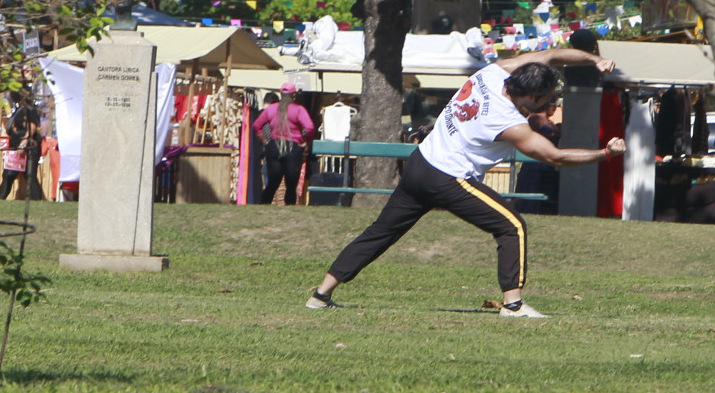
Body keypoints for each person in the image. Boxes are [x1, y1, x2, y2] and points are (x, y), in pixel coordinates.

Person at [307, 46, 622, 318]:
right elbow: (555, 156)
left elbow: (552, 55)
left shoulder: (494, 72)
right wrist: (604, 153)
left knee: (381, 231)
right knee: (511, 226)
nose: (547, 106)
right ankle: (513, 306)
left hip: (420, 163)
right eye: (544, 101)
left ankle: (320, 295)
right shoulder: (507, 121)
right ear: (530, 96)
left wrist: (592, 59)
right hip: (447, 177)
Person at [254, 83, 316, 206]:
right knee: (291, 184)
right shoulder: (298, 110)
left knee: (272, 183)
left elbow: (257, 126)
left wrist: (265, 141)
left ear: (280, 94)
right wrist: (305, 141)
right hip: (292, 148)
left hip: (273, 146)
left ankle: (262, 206)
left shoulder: (271, 109)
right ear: (294, 96)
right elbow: (310, 128)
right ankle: (290, 208)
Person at [0, 91, 44, 201]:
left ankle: (38, 202)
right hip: (15, 148)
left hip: (28, 149)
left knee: (30, 176)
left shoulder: (30, 109)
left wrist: (23, 143)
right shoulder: (18, 110)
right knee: (8, 175)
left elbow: (32, 127)